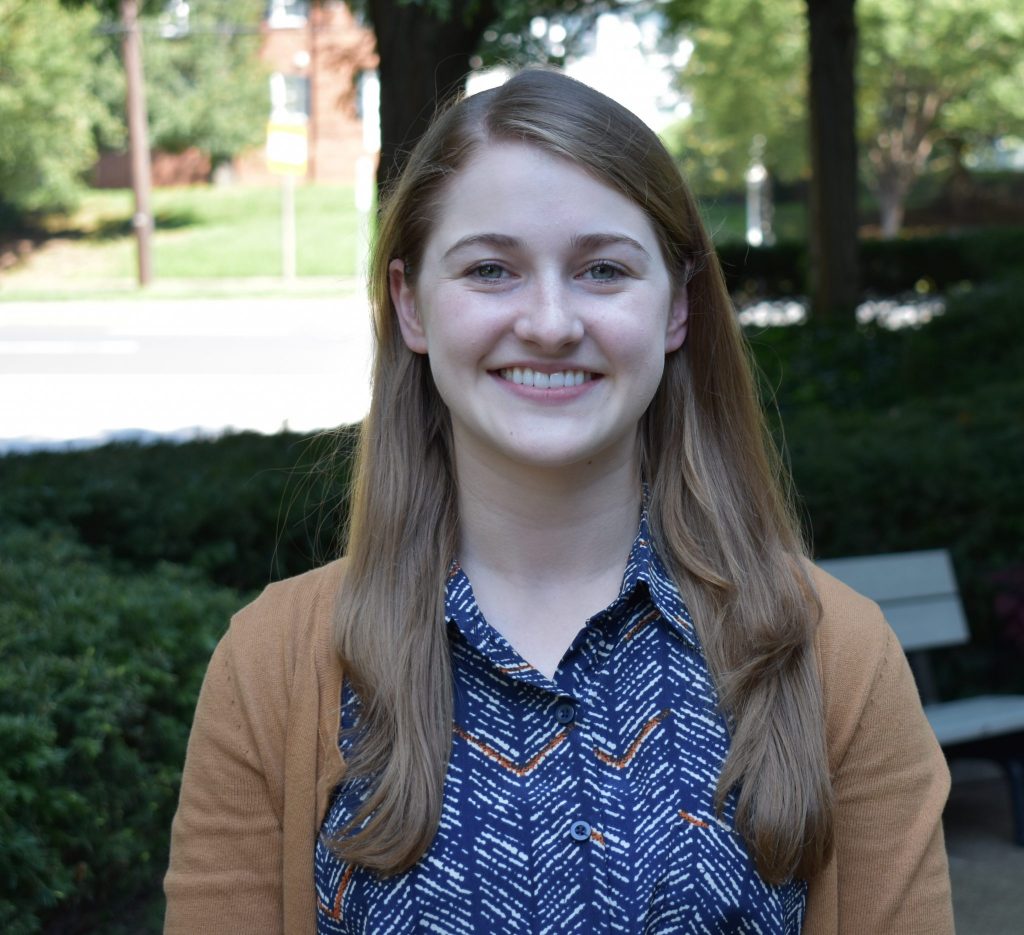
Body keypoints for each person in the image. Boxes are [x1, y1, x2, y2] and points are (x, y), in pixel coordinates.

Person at [164, 69, 953, 934]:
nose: (548, 321)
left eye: (603, 269)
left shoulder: (837, 656)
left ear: (677, 307)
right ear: (410, 304)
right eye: (492, 269)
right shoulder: (272, 666)